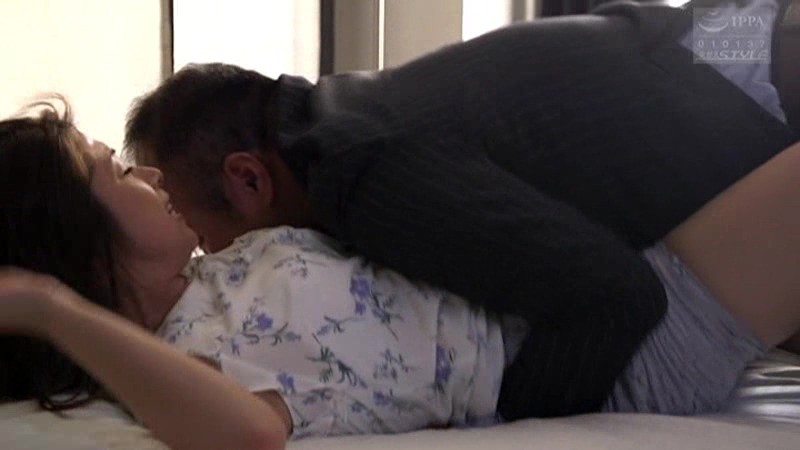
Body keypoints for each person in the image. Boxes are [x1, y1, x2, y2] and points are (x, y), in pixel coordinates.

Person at [124, 0, 798, 420]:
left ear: (248, 179)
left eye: (209, 239)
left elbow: (616, 297)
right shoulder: (343, 112)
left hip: (739, 81)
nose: (218, 260)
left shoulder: (364, 179)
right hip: (707, 33)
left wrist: (509, 420)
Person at [2, 100, 800, 446]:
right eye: (119, 173)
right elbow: (249, 434)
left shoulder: (221, 270)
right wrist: (50, 307)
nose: (151, 176)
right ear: (83, 247)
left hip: (577, 277)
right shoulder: (187, 357)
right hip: (617, 357)